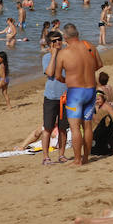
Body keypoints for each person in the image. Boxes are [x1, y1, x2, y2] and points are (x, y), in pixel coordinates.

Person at [55, 23, 104, 165]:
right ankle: (86, 158)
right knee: (87, 126)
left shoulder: (64, 53)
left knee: (75, 127)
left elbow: (58, 76)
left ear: (65, 37)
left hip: (75, 93)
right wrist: (87, 70)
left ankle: (77, 160)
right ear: (77, 34)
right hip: (90, 90)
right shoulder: (89, 46)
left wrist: (68, 79)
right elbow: (99, 64)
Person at [41, 31, 68, 164]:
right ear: (49, 44)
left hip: (66, 97)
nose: (58, 42)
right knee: (47, 128)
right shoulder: (46, 57)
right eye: (54, 41)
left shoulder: (67, 56)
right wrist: (53, 55)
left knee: (63, 128)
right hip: (51, 97)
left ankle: (61, 155)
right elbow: (50, 72)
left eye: (59, 40)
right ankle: (46, 157)